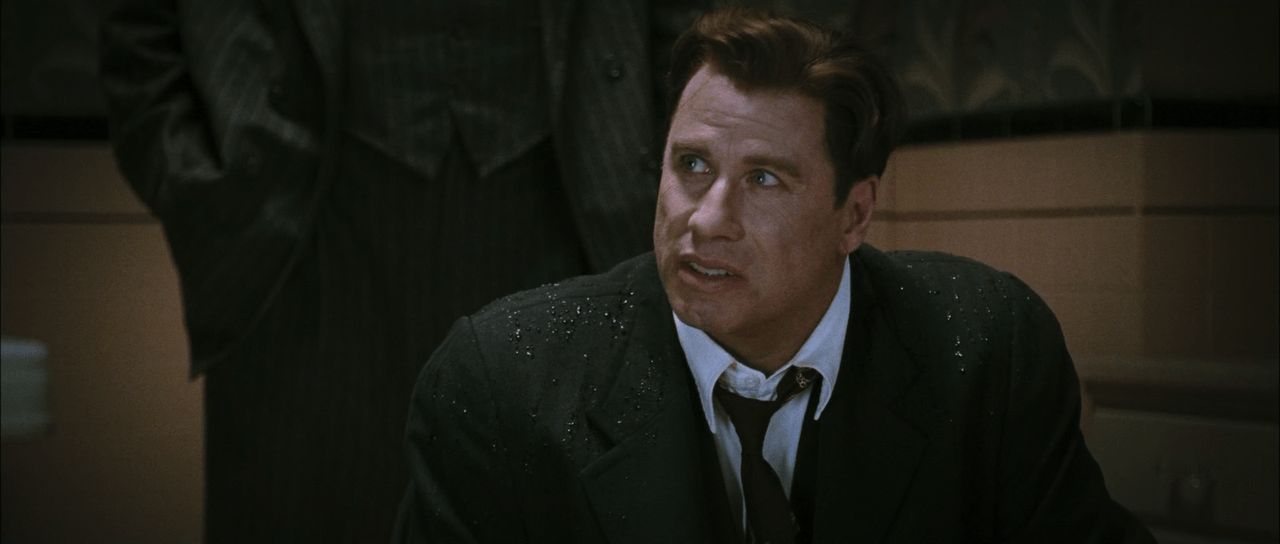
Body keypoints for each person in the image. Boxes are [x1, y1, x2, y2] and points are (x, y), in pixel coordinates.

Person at [394, 7, 1157, 544]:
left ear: (854, 214)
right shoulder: (500, 384)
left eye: (764, 180)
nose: (707, 219)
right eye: (692, 165)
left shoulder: (988, 352)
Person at [99, 1, 702, 542]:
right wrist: (192, 179)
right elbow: (140, 29)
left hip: (563, 211)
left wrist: (675, 173)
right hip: (301, 238)